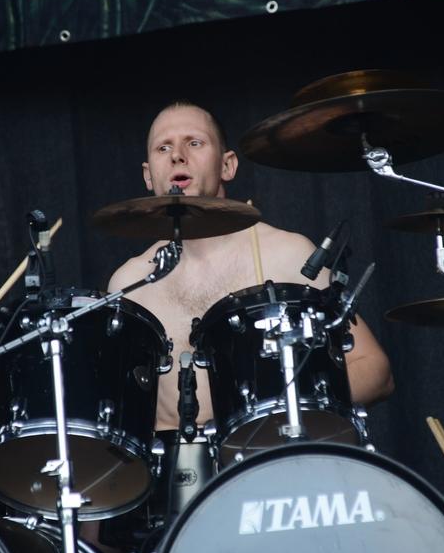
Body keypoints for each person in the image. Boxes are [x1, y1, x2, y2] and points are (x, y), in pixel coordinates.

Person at [108, 101, 395, 434]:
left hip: (276, 454)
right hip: (182, 467)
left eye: (195, 142)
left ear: (227, 165)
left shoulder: (289, 254)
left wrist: (275, 410)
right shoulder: (130, 284)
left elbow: (375, 371)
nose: (177, 156)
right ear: (148, 175)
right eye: (163, 147)